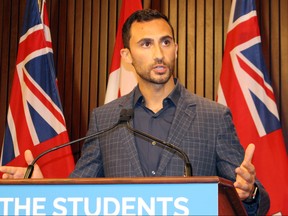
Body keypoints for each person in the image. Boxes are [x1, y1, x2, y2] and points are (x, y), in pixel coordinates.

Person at [0, 9, 269, 215]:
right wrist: (41, 188)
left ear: (176, 48)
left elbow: (258, 200)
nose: (159, 54)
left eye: (165, 42)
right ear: (127, 56)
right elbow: (78, 194)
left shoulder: (214, 117)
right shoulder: (105, 118)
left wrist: (250, 192)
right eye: (146, 44)